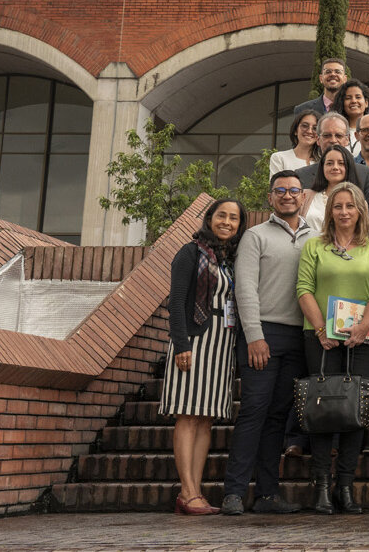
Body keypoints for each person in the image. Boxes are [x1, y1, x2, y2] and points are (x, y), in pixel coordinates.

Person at [294, 182, 369, 514]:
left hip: (361, 339)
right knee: (322, 414)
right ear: (330, 211)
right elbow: (304, 287)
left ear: (361, 210)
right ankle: (321, 486)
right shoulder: (314, 246)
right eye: (338, 206)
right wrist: (321, 329)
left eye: (350, 206)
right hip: (320, 339)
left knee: (354, 415)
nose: (344, 212)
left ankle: (345, 486)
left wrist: (364, 327)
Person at [220, 173, 310, 516]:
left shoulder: (314, 238)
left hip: (297, 337)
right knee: (254, 411)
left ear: (302, 197)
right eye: (280, 191)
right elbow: (244, 288)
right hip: (262, 334)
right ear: (271, 198)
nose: (287, 196)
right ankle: (234, 492)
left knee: (277, 417)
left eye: (293, 191)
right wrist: (254, 335)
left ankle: (268, 495)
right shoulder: (255, 237)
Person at [162, 197, 247, 515]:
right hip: (195, 342)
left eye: (234, 218)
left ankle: (195, 492)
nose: (227, 222)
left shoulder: (229, 259)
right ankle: (187, 491)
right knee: (187, 415)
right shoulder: (191, 252)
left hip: (221, 344)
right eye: (221, 215)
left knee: (205, 417)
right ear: (210, 219)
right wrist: (181, 344)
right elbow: (176, 301)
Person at [295, 113, 369, 204]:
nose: (333, 140)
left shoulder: (366, 175)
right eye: (327, 135)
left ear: (347, 139)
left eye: (338, 136)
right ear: (318, 139)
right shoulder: (302, 176)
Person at [300, 145, 357, 234]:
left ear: (348, 167)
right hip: (307, 246)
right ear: (322, 167)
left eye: (341, 163)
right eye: (329, 163)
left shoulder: (358, 200)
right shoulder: (305, 196)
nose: (335, 167)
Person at [270, 110, 320, 176]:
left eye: (315, 128)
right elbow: (276, 185)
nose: (309, 131)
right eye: (305, 126)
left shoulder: (324, 162)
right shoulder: (280, 158)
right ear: (295, 130)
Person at [334, 80, 369, 150]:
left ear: (366, 103)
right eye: (348, 98)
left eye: (358, 97)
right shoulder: (336, 131)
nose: (354, 101)